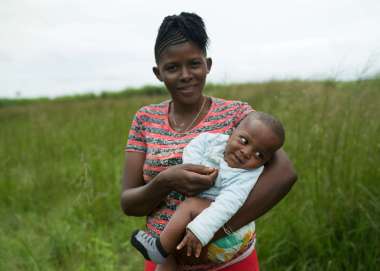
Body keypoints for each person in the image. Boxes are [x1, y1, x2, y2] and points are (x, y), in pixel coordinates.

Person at [121, 12, 297, 271]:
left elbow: (285, 173)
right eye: (172, 67)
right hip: (165, 261)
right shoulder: (145, 119)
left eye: (194, 63)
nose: (185, 75)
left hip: (230, 262)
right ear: (158, 73)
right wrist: (166, 181)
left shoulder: (237, 115)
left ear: (208, 65)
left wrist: (209, 232)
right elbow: (129, 202)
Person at [131, 111, 285, 271]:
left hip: (229, 235)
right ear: (232, 132)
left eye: (259, 155)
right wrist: (195, 170)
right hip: (208, 219)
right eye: (244, 141)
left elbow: (227, 205)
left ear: (265, 162)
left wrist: (200, 231)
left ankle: (159, 247)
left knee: (189, 206)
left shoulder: (246, 175)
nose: (246, 152)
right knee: (170, 256)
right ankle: (162, 255)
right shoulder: (213, 141)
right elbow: (196, 145)